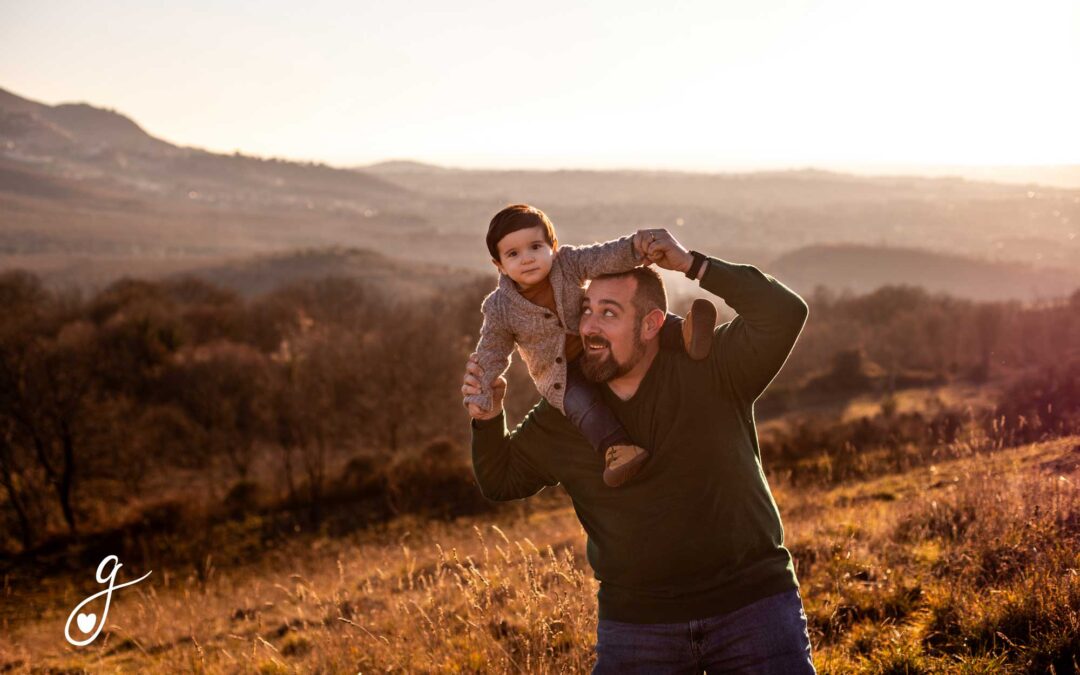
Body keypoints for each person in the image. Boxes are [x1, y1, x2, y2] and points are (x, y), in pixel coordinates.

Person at [462, 229, 815, 674]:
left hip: (753, 607)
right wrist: (488, 417)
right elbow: (500, 479)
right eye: (586, 310)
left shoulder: (713, 368)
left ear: (651, 324)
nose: (588, 325)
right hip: (637, 626)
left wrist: (693, 265)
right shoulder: (566, 416)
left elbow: (784, 312)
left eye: (608, 313)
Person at [462, 204, 717, 487]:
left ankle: (685, 334)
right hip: (561, 376)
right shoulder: (499, 308)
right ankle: (616, 449)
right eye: (513, 254)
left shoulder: (568, 264)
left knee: (630, 319)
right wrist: (481, 392)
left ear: (553, 246)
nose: (527, 259)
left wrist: (636, 247)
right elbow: (491, 350)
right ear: (499, 265)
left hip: (598, 342)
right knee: (582, 405)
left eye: (535, 246)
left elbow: (603, 257)